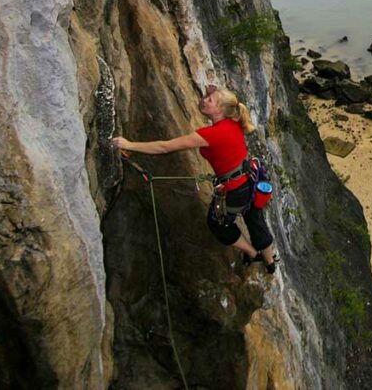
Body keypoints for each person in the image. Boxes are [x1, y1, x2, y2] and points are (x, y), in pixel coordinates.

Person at [110, 85, 277, 273]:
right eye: (206, 96)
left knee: (218, 224)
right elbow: (228, 101)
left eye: (210, 100)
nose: (204, 100)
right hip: (250, 179)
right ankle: (270, 262)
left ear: (220, 110)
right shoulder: (233, 120)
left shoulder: (211, 135)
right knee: (254, 218)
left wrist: (129, 144)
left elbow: (165, 147)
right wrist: (214, 92)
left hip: (234, 191)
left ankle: (253, 254)